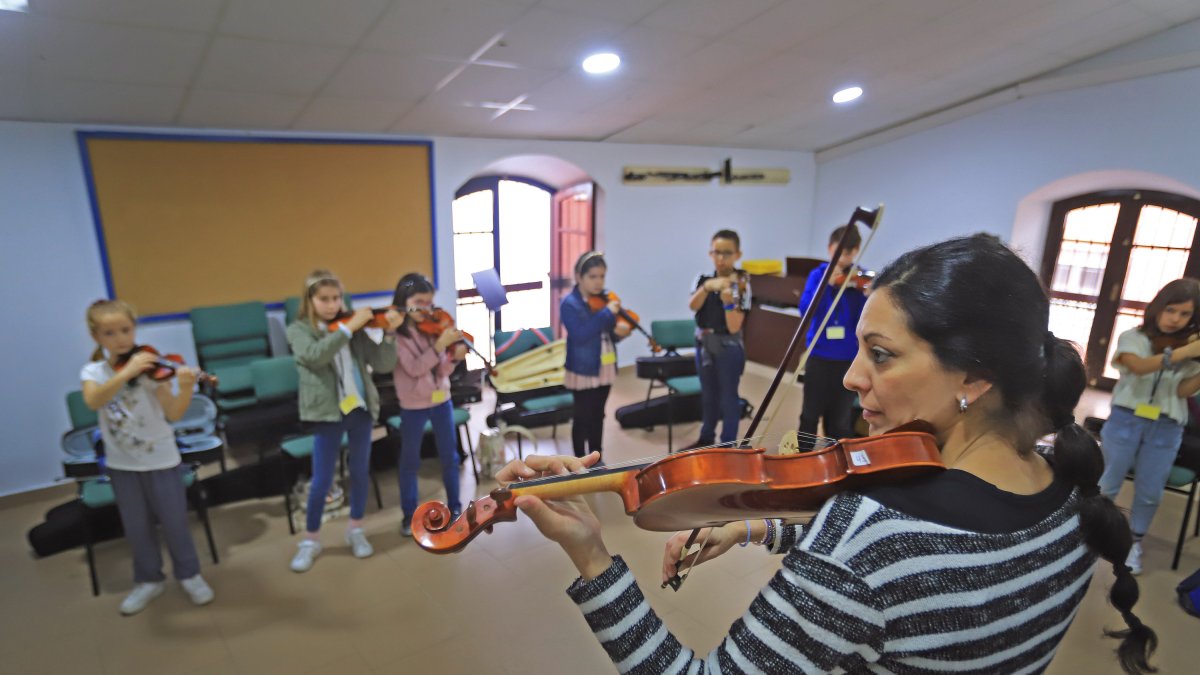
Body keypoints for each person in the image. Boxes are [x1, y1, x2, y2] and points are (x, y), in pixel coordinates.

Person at [496, 234, 1156, 674]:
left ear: (973, 376)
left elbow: (878, 564)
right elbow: (914, 585)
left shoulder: (871, 535)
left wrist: (591, 553)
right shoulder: (1074, 494)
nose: (851, 376)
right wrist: (756, 523)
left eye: (883, 354)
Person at [80, 300, 215, 615]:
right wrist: (126, 372)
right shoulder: (94, 371)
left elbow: (173, 413)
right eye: (110, 333)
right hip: (122, 464)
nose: (121, 339)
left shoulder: (153, 368)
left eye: (126, 330)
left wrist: (183, 387)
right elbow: (93, 400)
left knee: (175, 523)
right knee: (136, 526)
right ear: (96, 336)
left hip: (162, 460)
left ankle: (189, 575)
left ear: (134, 329)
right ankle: (148, 580)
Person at [286, 269, 397, 572]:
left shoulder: (353, 327)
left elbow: (384, 362)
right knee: (321, 480)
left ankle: (356, 529)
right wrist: (347, 329)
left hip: (359, 409)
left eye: (336, 298)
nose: (332, 304)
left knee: (359, 471)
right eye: (324, 299)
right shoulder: (298, 330)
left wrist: (388, 334)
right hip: (327, 413)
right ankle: (310, 539)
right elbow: (315, 355)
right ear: (310, 300)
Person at [1098, 278, 1200, 575]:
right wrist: (1181, 354)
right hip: (1126, 419)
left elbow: (1182, 393)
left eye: (1185, 315)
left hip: (1167, 426)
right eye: (1171, 310)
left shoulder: (1190, 348)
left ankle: (1134, 541)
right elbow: (1138, 367)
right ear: (1158, 307)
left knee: (1150, 490)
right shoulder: (1134, 337)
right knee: (1107, 483)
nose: (1176, 320)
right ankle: (1095, 534)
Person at [391, 273, 465, 537]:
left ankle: (455, 509)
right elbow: (414, 368)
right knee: (410, 460)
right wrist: (439, 347)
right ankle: (409, 515)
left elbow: (441, 371)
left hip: (440, 400)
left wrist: (453, 358)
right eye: (418, 302)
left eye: (429, 302)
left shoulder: (432, 328)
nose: (425, 309)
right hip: (413, 405)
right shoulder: (398, 336)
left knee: (450, 457)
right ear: (403, 301)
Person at [798, 224, 867, 450]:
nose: (843, 259)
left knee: (839, 418)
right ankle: (804, 456)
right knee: (809, 413)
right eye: (838, 253)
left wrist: (868, 296)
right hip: (819, 356)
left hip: (846, 359)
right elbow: (807, 310)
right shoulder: (818, 276)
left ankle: (835, 460)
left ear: (856, 251)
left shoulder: (860, 279)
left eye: (848, 254)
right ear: (829, 248)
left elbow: (863, 322)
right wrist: (826, 287)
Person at [560, 252, 631, 460]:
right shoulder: (569, 304)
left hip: (605, 364)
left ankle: (596, 457)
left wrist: (620, 333)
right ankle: (579, 460)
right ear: (579, 277)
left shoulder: (604, 299)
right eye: (593, 276)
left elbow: (607, 333)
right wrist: (607, 313)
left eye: (602, 276)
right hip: (583, 368)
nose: (599, 282)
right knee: (582, 416)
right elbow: (581, 334)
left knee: (598, 415)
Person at [685, 229, 752, 448]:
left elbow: (734, 326)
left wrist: (728, 301)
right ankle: (706, 438)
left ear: (737, 254)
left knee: (728, 398)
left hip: (728, 347)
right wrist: (706, 288)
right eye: (716, 253)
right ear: (710, 253)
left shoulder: (742, 284)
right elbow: (693, 306)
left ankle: (727, 445)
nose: (721, 259)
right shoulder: (702, 279)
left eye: (727, 253)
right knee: (708, 395)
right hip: (704, 344)